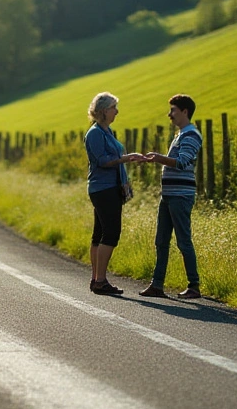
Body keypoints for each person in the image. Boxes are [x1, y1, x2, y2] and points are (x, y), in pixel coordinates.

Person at [139, 94, 203, 299]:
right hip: (168, 196)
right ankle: (157, 285)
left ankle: (194, 286)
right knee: (161, 241)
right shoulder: (180, 134)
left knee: (183, 241)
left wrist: (159, 159)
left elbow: (183, 161)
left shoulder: (191, 135)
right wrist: (159, 159)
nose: (170, 114)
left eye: (173, 110)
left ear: (185, 112)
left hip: (180, 196)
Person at [84, 92, 143, 295]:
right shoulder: (95, 134)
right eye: (113, 108)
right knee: (111, 233)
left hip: (107, 187)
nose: (116, 111)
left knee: (99, 234)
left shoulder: (107, 131)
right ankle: (100, 280)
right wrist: (126, 159)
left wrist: (126, 160)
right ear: (103, 111)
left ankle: (96, 279)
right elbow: (102, 161)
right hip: (104, 188)